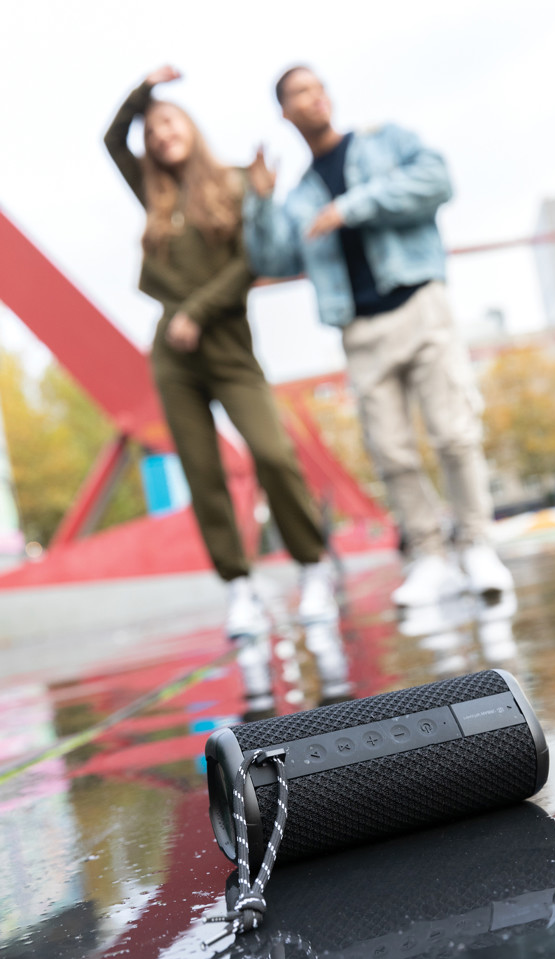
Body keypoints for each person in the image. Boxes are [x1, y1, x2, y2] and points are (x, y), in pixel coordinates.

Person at [244, 66, 513, 606]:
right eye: (299, 93)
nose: (314, 98)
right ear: (284, 113)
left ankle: (477, 545)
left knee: (454, 433)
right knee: (390, 451)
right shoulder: (299, 195)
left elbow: (437, 182)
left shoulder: (385, 141)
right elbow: (274, 258)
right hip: (359, 327)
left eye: (318, 88)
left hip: (419, 301)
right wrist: (261, 204)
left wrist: (352, 207)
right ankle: (429, 555)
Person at [104, 66, 337, 637]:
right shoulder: (153, 193)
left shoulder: (235, 183)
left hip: (228, 347)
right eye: (151, 131)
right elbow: (112, 139)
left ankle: (312, 567)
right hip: (174, 358)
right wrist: (145, 90)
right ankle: (239, 586)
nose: (161, 135)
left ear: (191, 126)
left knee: (273, 453)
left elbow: (250, 262)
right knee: (202, 472)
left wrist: (197, 312)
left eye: (169, 122)